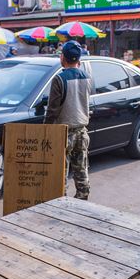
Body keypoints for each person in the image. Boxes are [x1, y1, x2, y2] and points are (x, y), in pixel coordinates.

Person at [44, 41, 92, 200]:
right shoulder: (87, 77)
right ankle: (83, 201)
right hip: (82, 132)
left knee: (60, 174)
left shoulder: (59, 79)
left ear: (62, 57)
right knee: (81, 171)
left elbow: (52, 110)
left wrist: (46, 131)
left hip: (64, 134)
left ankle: (62, 205)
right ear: (78, 59)